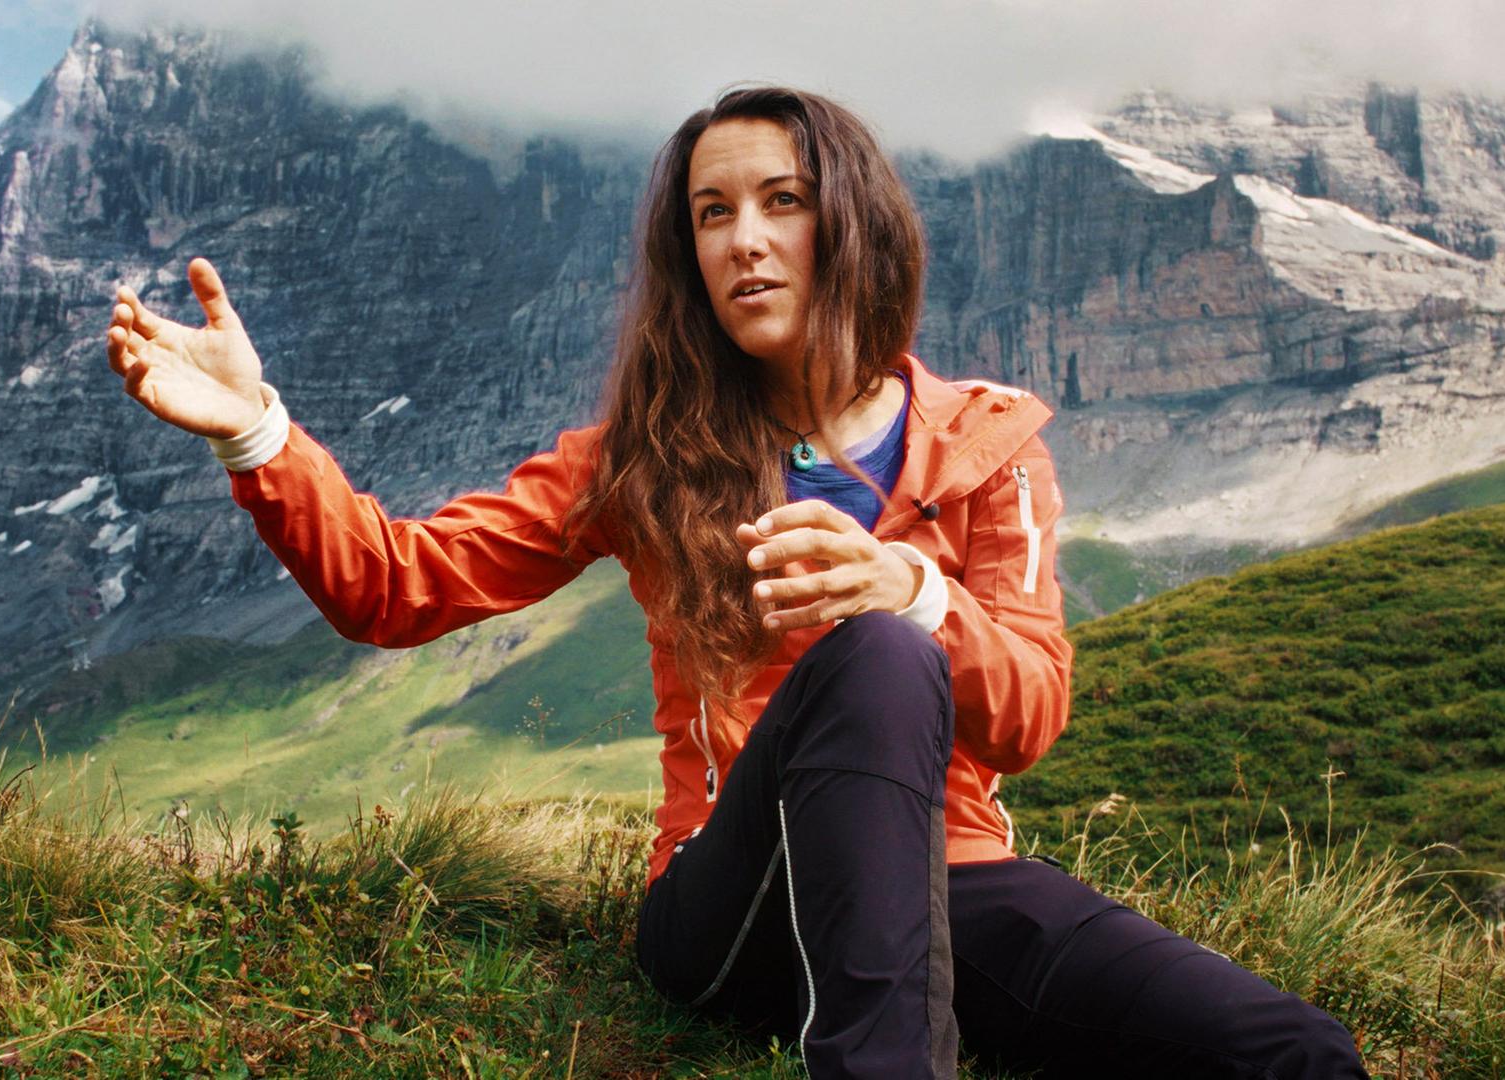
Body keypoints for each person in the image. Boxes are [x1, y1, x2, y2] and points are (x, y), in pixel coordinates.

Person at [105, 85, 1366, 1079]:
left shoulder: (992, 447)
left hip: (949, 881)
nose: (746, 240)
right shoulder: (642, 460)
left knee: (1292, 1051)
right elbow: (399, 586)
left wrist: (910, 590)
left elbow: (1031, 713)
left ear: (852, 221)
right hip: (730, 908)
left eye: (782, 201)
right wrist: (257, 433)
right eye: (713, 213)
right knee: (869, 658)